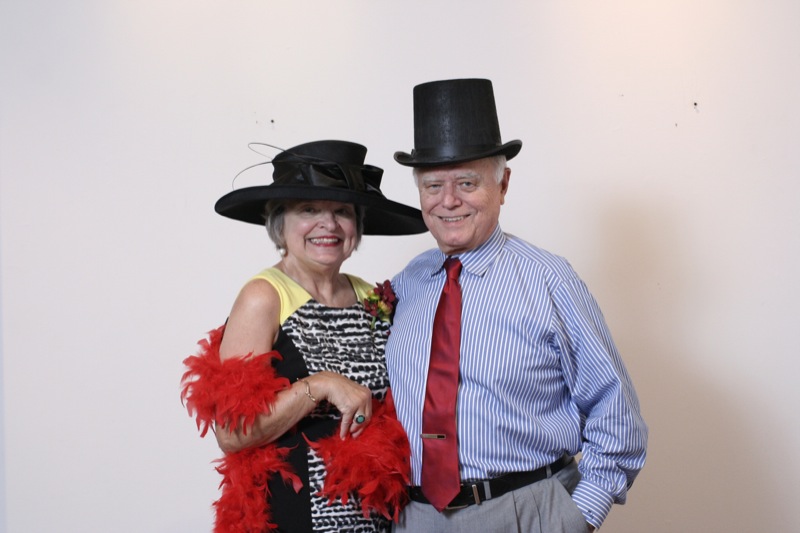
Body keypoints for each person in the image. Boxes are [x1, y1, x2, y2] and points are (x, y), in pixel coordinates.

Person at [385, 79, 648, 532]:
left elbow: (616, 413)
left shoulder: (548, 280)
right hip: (415, 517)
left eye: (467, 183)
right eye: (433, 186)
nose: (448, 201)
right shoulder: (407, 283)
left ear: (503, 184)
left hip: (522, 512)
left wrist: (575, 518)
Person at [181, 140, 428, 533]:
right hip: (293, 517)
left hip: (377, 521)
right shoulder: (264, 297)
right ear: (280, 223)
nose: (328, 224)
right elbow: (231, 434)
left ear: (357, 225)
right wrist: (321, 385)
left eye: (342, 212)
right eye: (309, 210)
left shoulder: (372, 297)